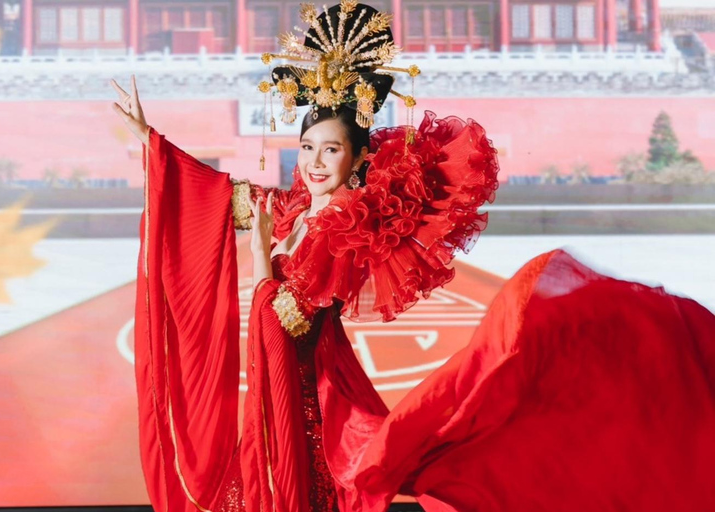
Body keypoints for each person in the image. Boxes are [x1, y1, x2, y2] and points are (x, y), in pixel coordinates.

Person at [111, 3, 715, 512]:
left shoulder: (344, 230)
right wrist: (154, 146)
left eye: (331, 151)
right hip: (280, 413)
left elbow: (283, 323)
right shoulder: (297, 207)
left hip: (307, 423)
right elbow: (222, 197)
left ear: (357, 160)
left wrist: (256, 259)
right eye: (307, 147)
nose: (316, 162)